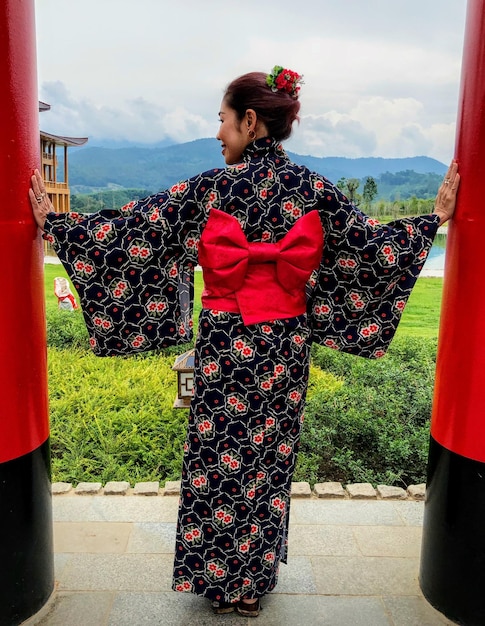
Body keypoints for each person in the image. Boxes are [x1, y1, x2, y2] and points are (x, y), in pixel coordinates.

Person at [30, 66, 459, 618]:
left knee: (217, 452)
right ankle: (251, 583)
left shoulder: (209, 188)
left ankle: (217, 578)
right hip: (285, 346)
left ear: (251, 121)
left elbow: (133, 231)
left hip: (227, 343)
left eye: (223, 121)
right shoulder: (313, 188)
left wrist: (60, 227)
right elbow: (369, 248)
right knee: (268, 457)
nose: (218, 134)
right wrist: (431, 222)